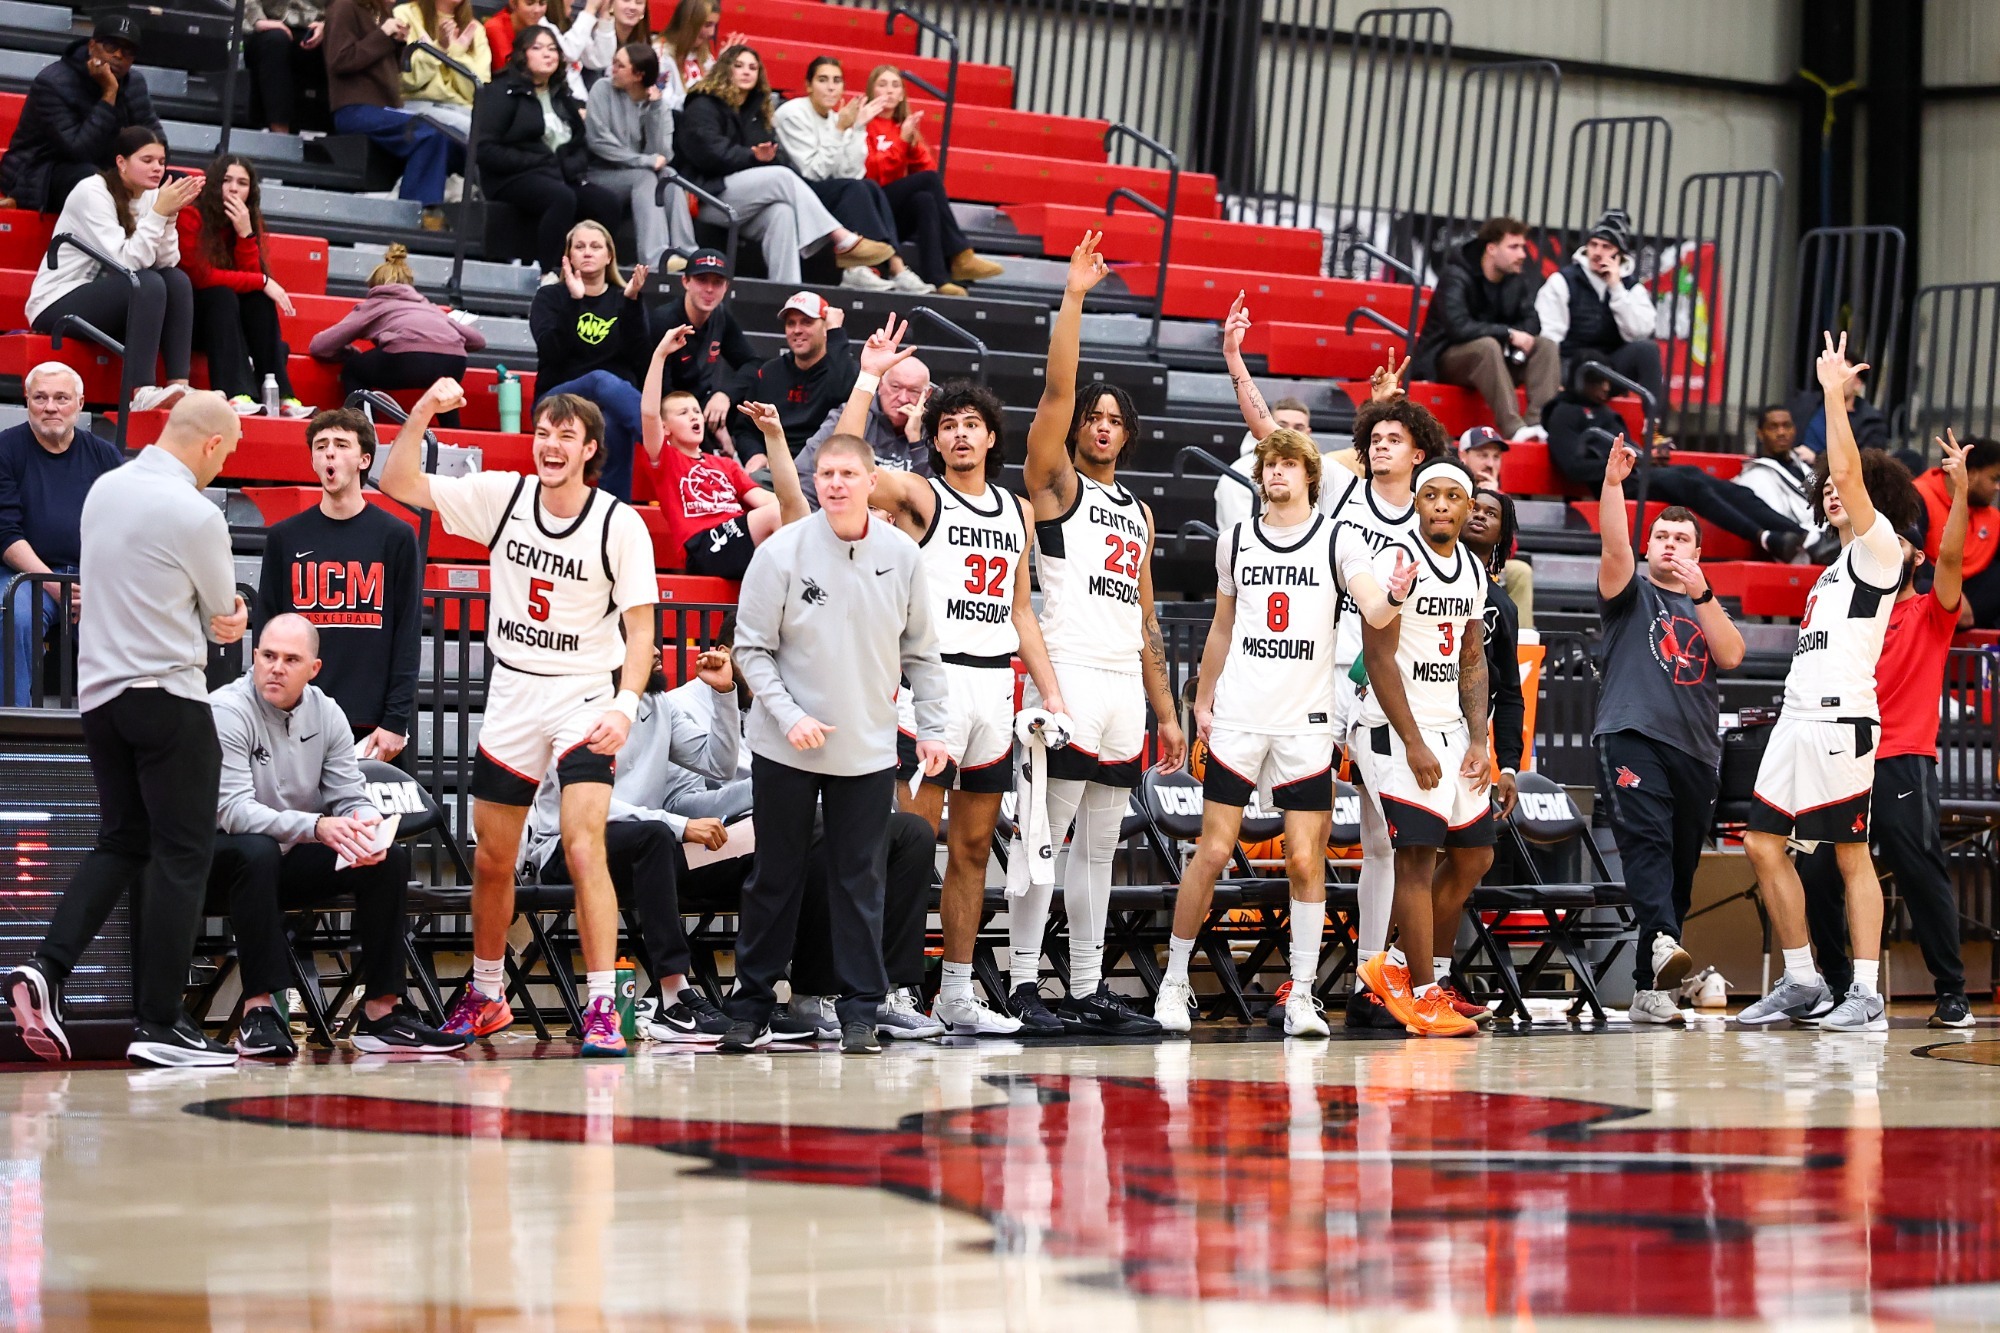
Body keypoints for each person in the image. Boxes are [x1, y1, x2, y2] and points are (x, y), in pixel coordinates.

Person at [379, 379, 658, 1057]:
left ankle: (601, 1006)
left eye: (567, 434)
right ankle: (486, 994)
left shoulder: (619, 522)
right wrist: (421, 408)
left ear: (591, 449)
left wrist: (625, 706)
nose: (551, 444)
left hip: (586, 692)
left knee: (585, 844)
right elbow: (396, 478)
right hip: (513, 692)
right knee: (495, 858)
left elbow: (643, 631)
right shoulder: (502, 495)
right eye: (543, 431)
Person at [821, 319, 1064, 1036]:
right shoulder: (922, 497)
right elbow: (848, 459)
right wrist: (868, 378)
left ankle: (952, 992)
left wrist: (1051, 692)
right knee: (908, 845)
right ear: (936, 438)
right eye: (948, 425)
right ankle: (890, 986)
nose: (960, 435)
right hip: (931, 686)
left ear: (992, 437)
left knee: (972, 849)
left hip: (995, 688)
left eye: (972, 425)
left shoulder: (1018, 510)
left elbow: (1022, 610)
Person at [4, 393, 247, 1069]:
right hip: (167, 694)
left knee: (121, 840)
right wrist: (233, 613)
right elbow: (222, 612)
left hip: (100, 699)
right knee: (182, 854)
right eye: (226, 451)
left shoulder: (103, 490)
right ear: (208, 444)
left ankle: (47, 968)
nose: (223, 462)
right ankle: (162, 1022)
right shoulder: (197, 512)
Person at [1006, 233, 1187, 1037]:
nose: (1102, 424)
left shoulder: (1140, 511)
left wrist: (1170, 708)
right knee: (1048, 834)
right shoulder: (1055, 485)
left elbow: (1147, 616)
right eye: (1094, 416)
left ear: (1129, 432)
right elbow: (1054, 391)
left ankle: (1084, 986)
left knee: (1101, 847)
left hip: (1122, 684)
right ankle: (1020, 984)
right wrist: (1075, 297)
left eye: (1115, 419)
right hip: (1067, 674)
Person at [719, 432, 951, 1055]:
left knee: (860, 882)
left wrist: (933, 726)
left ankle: (859, 1012)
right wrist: (789, 715)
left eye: (848, 472)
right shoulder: (782, 552)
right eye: (826, 473)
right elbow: (751, 649)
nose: (836, 483)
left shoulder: (902, 556)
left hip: (868, 751)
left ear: (872, 481)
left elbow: (923, 652)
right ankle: (751, 1007)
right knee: (775, 877)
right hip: (785, 746)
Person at [1736, 333, 1924, 1034]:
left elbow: (1846, 474)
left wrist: (1833, 397)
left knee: (1850, 855)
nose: (1832, 492)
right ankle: (1802, 980)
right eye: (1825, 492)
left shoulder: (1878, 552)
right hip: (1796, 718)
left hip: (1844, 718)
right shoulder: (1826, 571)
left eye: (1842, 488)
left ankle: (1868, 992)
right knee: (1760, 844)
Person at [1155, 430, 1368, 1039]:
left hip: (1305, 721)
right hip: (1241, 716)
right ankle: (1174, 983)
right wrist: (1203, 694)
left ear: (1308, 477)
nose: (1275, 474)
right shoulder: (1237, 540)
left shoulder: (1334, 540)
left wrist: (1393, 596)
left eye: (1287, 466)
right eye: (1268, 465)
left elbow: (1373, 608)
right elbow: (1222, 627)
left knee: (1306, 859)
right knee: (1214, 852)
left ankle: (1301, 994)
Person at [208, 614, 467, 1059]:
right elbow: (233, 812)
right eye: (268, 656)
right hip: (220, 860)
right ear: (254, 658)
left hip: (289, 853)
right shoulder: (226, 710)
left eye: (291, 659)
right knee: (258, 851)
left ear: (314, 668)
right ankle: (259, 1013)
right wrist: (317, 827)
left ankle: (381, 1013)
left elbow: (349, 795)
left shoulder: (327, 712)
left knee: (387, 859)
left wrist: (366, 827)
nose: (276, 667)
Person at [1799, 431, 1975, 1029]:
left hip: (1901, 757)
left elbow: (1951, 559)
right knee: (1816, 867)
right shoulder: (1843, 602)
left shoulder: (1929, 610)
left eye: (1895, 542)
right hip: (1841, 752)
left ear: (1914, 557)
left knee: (1914, 857)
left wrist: (1957, 494)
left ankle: (1951, 991)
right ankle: (1844, 989)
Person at [1591, 439, 1747, 1023]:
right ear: (1648, 545)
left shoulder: (1706, 603)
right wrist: (1614, 486)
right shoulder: (1629, 593)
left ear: (1699, 552)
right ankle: (1660, 942)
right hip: (1632, 733)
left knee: (1680, 873)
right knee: (1649, 847)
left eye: (1681, 539)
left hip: (1698, 753)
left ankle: (1647, 990)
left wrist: (1703, 590)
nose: (1670, 546)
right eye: (1661, 537)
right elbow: (1613, 544)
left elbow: (1731, 655)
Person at [519, 643, 744, 1044]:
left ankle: (756, 997)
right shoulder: (573, 709)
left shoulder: (658, 705)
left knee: (742, 850)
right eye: (640, 641)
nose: (657, 650)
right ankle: (674, 996)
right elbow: (591, 803)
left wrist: (723, 695)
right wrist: (678, 824)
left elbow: (719, 766)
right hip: (565, 847)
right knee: (654, 837)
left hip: (641, 849)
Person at [1352, 457, 1496, 1038]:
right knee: (1415, 861)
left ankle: (1398, 968)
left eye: (1451, 497)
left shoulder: (1473, 571)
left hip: (1450, 727)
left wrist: (1480, 737)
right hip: (1393, 726)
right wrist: (1412, 740)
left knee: (1475, 855)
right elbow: (1379, 657)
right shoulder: (1397, 559)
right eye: (1429, 495)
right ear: (1417, 502)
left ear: (1468, 509)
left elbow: (1471, 658)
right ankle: (1424, 991)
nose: (1440, 504)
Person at [1326, 374, 1451, 1031]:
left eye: (1393, 438)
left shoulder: (1428, 518)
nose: (1379, 446)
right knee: (1304, 827)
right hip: (1321, 675)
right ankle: (1302, 980)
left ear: (1419, 453)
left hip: (1386, 682)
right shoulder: (1344, 492)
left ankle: (1370, 980)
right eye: (1372, 438)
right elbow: (1273, 441)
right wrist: (1235, 364)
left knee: (1382, 838)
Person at [252, 408, 423, 762]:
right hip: (299, 717)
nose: (329, 452)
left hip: (372, 724)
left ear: (364, 459)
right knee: (302, 819)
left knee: (375, 820)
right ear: (313, 460)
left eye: (341, 444)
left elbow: (407, 635)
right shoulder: (285, 537)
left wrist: (396, 719)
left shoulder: (397, 536)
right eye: (321, 445)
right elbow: (266, 632)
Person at [672, 44, 894, 286]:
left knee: (782, 212)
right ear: (725, 70)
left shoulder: (758, 110)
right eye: (739, 66)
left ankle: (787, 292)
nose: (746, 71)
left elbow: (767, 156)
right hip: (707, 195)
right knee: (781, 176)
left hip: (747, 199)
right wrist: (753, 157)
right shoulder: (703, 103)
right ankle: (841, 238)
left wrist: (760, 158)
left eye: (753, 67)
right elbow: (709, 154)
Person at [1547, 361, 1808, 561]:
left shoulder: (1606, 413)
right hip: (1618, 483)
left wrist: (1646, 456)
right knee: (1691, 485)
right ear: (1581, 382)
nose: (1605, 388)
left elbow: (1630, 448)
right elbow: (1572, 467)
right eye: (1598, 383)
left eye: (1607, 382)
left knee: (1711, 481)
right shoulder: (1564, 414)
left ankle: (1802, 536)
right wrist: (1623, 465)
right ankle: (1764, 537)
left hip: (1639, 472)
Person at [26, 126, 197, 414]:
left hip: (109, 298)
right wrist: (158, 214)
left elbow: (168, 261)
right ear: (121, 162)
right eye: (147, 160)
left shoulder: (151, 196)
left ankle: (180, 385)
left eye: (161, 161)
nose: (157, 168)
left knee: (177, 281)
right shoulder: (91, 192)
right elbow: (126, 262)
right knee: (148, 282)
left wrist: (168, 216)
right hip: (57, 301)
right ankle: (141, 391)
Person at [637, 324, 808, 576]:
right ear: (666, 427)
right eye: (683, 413)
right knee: (779, 516)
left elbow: (770, 501)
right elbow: (649, 413)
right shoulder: (665, 458)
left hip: (739, 538)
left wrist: (804, 514)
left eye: (696, 410)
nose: (694, 416)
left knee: (794, 509)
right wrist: (660, 354)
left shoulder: (725, 465)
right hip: (703, 546)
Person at [1, 364, 122, 707]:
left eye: (61, 398)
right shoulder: (6, 450)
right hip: (23, 578)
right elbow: (5, 533)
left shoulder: (105, 456)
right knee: (15, 616)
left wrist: (97, 589)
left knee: (134, 619)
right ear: (27, 401)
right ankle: (13, 734)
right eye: (40, 397)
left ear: (80, 403)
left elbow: (124, 532)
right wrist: (56, 584)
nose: (50, 406)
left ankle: (116, 740)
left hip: (91, 580)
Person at [473, 29, 624, 278]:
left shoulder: (562, 96)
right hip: (512, 178)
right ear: (522, 54)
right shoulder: (501, 92)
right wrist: (539, 161)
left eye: (553, 49)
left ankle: (596, 275)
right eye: (538, 48)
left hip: (558, 175)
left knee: (606, 202)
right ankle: (549, 274)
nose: (548, 54)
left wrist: (570, 166)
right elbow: (485, 150)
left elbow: (579, 144)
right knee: (562, 198)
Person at [787, 808, 948, 1040]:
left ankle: (881, 996)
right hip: (763, 818)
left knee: (914, 831)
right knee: (824, 824)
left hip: (841, 803)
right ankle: (811, 996)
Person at [1216, 292, 1368, 536]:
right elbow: (1262, 423)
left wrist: (1381, 407)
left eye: (1297, 428)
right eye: (1282, 425)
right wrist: (1232, 355)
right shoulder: (1241, 475)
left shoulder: (1327, 472)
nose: (1288, 434)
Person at [773, 57, 928, 294]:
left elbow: (851, 173)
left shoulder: (838, 118)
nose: (831, 87)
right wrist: (839, 131)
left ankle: (895, 268)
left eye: (837, 81)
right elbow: (813, 171)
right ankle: (857, 269)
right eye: (823, 80)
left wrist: (857, 128)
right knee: (856, 189)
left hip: (825, 189)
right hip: (797, 193)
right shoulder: (792, 113)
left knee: (868, 186)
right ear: (808, 85)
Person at [178, 155, 309, 418]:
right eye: (226, 180)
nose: (234, 188)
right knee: (221, 295)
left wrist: (245, 235)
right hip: (187, 320)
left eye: (242, 183)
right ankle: (235, 392)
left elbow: (250, 284)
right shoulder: (191, 213)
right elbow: (200, 276)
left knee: (258, 300)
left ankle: (281, 394)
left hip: (226, 325)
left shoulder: (248, 220)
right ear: (214, 183)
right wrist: (262, 280)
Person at [529, 222, 652, 497]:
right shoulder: (549, 297)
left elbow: (641, 360)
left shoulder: (626, 299)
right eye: (579, 247)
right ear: (568, 256)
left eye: (596, 247)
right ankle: (664, 447)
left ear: (609, 256)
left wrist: (632, 303)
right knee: (600, 379)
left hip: (611, 404)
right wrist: (574, 301)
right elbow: (551, 353)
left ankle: (615, 512)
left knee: (615, 425)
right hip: (556, 398)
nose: (587, 252)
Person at [1413, 216, 1560, 444]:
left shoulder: (1516, 279)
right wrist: (1508, 334)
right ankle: (1514, 429)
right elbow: (1458, 328)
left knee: (1546, 346)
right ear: (1491, 248)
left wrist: (1515, 336)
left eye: (1522, 246)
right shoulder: (1456, 275)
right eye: (1514, 247)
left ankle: (1538, 424)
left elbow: (1532, 322)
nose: (1522, 254)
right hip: (1447, 360)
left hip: (1496, 359)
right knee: (1487, 346)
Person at [860, 64, 1005, 294]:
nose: (889, 91)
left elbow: (927, 169)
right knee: (927, 183)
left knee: (925, 199)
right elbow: (874, 173)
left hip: (895, 216)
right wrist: (902, 143)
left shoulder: (902, 127)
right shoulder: (863, 124)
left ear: (901, 95)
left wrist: (911, 141)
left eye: (895, 85)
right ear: (871, 90)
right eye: (882, 84)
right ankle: (961, 254)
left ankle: (938, 279)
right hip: (871, 207)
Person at [307, 244, 486, 426]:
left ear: (374, 285)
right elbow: (478, 341)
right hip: (455, 363)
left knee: (353, 370)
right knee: (444, 385)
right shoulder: (430, 307)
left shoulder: (376, 303)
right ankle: (454, 435)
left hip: (407, 359)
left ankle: (364, 431)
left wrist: (350, 353)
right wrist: (443, 343)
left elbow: (320, 346)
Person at [0, 15, 163, 214]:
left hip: (107, 168)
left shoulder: (134, 83)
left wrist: (145, 165)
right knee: (93, 181)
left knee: (181, 182)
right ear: (92, 46)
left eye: (127, 51)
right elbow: (79, 150)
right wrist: (109, 94)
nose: (119, 55)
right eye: (111, 46)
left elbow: (157, 141)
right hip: (38, 172)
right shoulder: (53, 83)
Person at [324, 0, 460, 224]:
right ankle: (414, 216)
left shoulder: (382, 12)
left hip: (386, 107)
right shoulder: (344, 7)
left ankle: (454, 211)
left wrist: (397, 44)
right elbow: (340, 60)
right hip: (354, 108)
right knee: (428, 133)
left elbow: (386, 67)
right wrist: (383, 35)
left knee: (455, 139)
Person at [1534, 208, 1665, 412]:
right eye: (1593, 244)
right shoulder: (1563, 281)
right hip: (1570, 368)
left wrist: (1616, 289)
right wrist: (1556, 377)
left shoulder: (1631, 288)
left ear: (1619, 253)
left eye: (1606, 246)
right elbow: (1549, 335)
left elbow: (1639, 332)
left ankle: (1653, 426)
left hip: (1609, 371)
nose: (1598, 252)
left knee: (1648, 350)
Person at [586, 43, 696, 271]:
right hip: (599, 173)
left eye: (619, 65)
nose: (612, 69)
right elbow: (599, 142)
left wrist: (654, 112)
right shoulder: (601, 89)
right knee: (645, 177)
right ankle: (655, 259)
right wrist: (642, 161)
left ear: (638, 75)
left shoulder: (659, 105)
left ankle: (687, 253)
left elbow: (662, 155)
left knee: (670, 175)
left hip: (638, 173)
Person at [795, 344, 930, 507]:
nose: (902, 398)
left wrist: (916, 442)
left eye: (914, 391)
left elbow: (934, 498)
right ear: (880, 385)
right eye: (895, 387)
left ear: (927, 394)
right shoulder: (851, 416)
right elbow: (805, 473)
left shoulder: (935, 429)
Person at [730, 292, 857, 461]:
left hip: (824, 467)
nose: (797, 330)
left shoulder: (842, 371)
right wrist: (755, 455)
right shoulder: (769, 372)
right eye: (791, 323)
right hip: (773, 468)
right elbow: (745, 429)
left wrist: (836, 333)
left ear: (825, 327)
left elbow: (841, 391)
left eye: (807, 322)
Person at [1462, 486, 1526, 823]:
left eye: (1491, 513)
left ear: (1502, 534)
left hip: (1469, 736)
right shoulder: (1422, 577)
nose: (1479, 515)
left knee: (1474, 856)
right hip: (1419, 724)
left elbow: (1511, 693)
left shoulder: (1503, 606)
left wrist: (1510, 766)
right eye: (1473, 507)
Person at [659, 249, 756, 453]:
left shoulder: (720, 315)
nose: (710, 289)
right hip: (667, 413)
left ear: (726, 287)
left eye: (717, 282)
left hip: (703, 406)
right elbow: (661, 391)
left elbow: (752, 363)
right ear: (685, 282)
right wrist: (703, 420)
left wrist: (725, 395)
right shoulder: (664, 322)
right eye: (702, 280)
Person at [1913, 434, 2000, 627]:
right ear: (1972, 473)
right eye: (1994, 478)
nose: (1997, 487)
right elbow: (1907, 555)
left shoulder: (1992, 516)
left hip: (1970, 598)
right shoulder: (1920, 497)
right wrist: (1950, 594)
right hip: (1929, 586)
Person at [1733, 404, 1832, 562]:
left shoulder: (1804, 468)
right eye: (1773, 427)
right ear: (1760, 433)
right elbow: (1775, 519)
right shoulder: (1755, 475)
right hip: (1801, 547)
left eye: (1787, 426)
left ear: (1794, 430)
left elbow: (1813, 493)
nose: (1781, 432)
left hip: (1828, 535)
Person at [1458, 425, 1536, 625]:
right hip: (1452, 558)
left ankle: (1522, 643)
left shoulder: (1501, 498)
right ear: (1463, 455)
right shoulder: (1450, 485)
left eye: (1496, 457)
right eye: (1483, 455)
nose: (1490, 463)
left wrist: (1497, 499)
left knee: (1520, 571)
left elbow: (1509, 549)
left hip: (1488, 564)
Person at [394, 0, 491, 138]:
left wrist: (455, 52)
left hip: (462, 108)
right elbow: (408, 81)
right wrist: (438, 48)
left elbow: (478, 90)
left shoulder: (475, 28)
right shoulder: (405, 14)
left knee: (495, 134)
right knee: (479, 136)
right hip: (416, 103)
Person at [242, 0, 331, 135]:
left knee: (343, 45)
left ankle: (348, 137)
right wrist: (258, 20)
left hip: (317, 26)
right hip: (268, 25)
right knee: (275, 41)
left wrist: (327, 25)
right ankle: (281, 136)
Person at [483, 0, 610, 94]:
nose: (537, 10)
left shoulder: (545, 23)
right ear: (513, 3)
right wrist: (589, 11)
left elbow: (599, 60)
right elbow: (510, 73)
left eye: (542, 3)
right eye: (530, 3)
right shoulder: (495, 27)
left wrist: (606, 16)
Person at [654, 0, 730, 111]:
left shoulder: (702, 52)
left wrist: (723, 66)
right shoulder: (661, 54)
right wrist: (700, 101)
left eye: (714, 25)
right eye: (707, 25)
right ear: (689, 23)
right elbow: (663, 102)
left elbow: (716, 87)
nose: (711, 33)